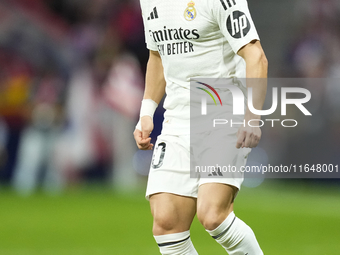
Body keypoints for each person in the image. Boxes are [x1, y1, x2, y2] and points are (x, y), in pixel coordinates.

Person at [133, 0, 268, 254]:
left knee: (213, 214)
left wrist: (252, 117)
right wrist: (147, 112)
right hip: (177, 118)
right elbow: (157, 56)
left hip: (223, 112)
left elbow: (256, 56)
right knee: (166, 223)